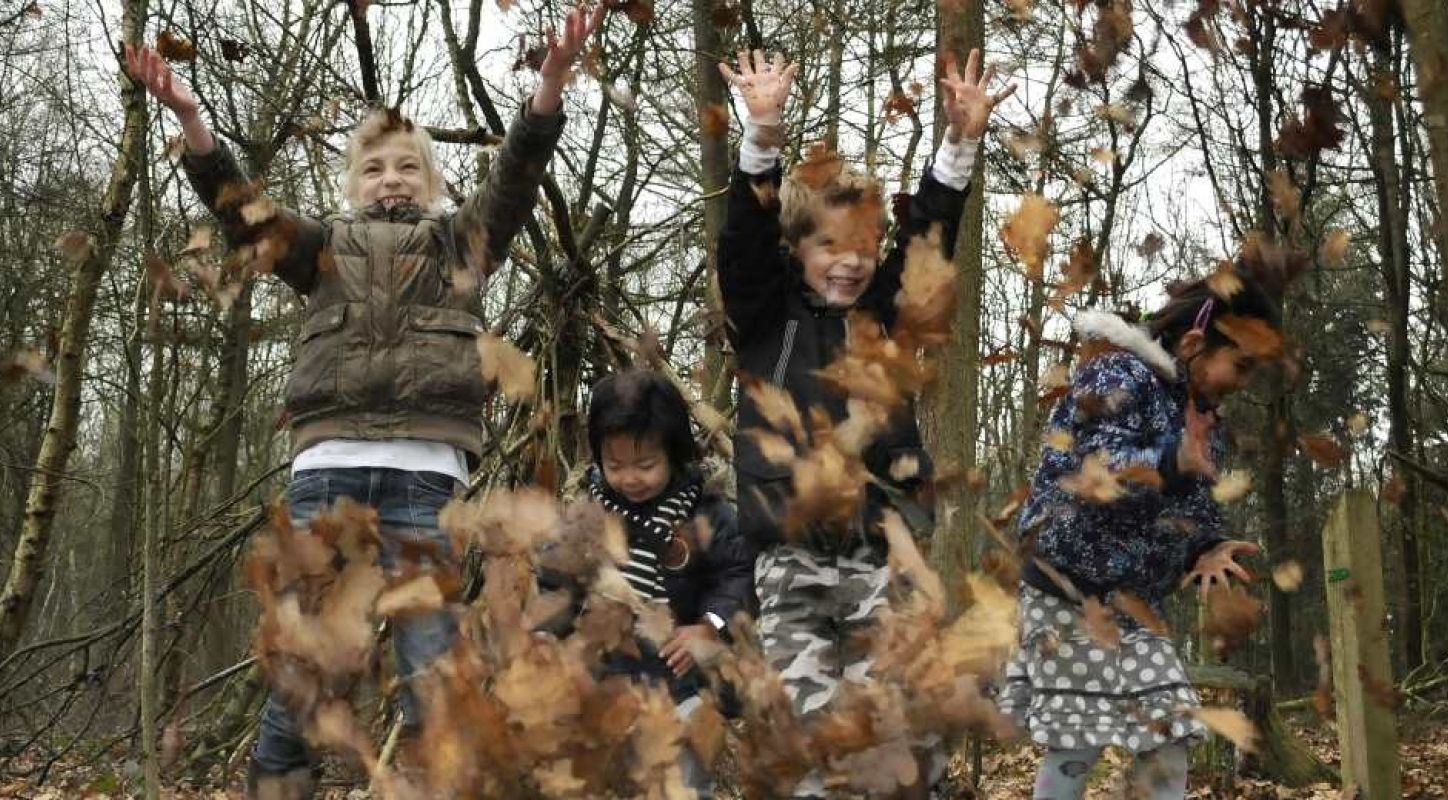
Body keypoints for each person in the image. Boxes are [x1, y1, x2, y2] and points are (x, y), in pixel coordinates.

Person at [124, 6, 604, 796]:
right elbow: (239, 209)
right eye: (375, 168)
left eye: (408, 168)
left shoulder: (458, 246)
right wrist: (189, 118)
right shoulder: (319, 251)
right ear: (351, 184)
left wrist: (547, 87)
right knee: (306, 670)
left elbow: (514, 180)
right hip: (328, 472)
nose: (392, 180)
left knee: (431, 675)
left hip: (425, 478)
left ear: (432, 181)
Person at [716, 47, 1013, 798]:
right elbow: (743, 242)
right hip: (790, 561)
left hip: (880, 553)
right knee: (815, 736)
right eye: (828, 248)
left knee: (907, 733)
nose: (848, 265)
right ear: (796, 250)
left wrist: (960, 143)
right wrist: (764, 130)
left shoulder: (879, 318)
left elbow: (929, 235)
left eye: (862, 250)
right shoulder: (763, 311)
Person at [1004, 274, 1282, 799]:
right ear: (1196, 344)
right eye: (1241, 365)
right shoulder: (1119, 373)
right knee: (1075, 741)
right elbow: (1094, 472)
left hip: (1135, 608)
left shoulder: (1202, 418)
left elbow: (1191, 507)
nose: (1243, 381)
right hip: (1066, 592)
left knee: (1169, 732)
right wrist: (1169, 462)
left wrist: (1204, 546)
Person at [540, 368, 754, 798]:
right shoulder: (587, 517)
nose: (630, 478)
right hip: (607, 676)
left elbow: (737, 575)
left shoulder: (706, 514)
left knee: (683, 780)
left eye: (646, 464)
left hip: (681, 677)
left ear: (674, 455)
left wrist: (710, 624)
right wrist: (548, 638)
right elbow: (556, 584)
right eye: (615, 465)